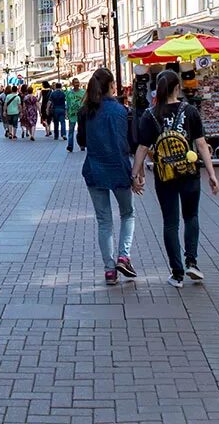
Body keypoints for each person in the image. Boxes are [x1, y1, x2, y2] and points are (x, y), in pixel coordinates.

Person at [133, 69, 219, 288]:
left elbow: (142, 148)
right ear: (178, 88)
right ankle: (192, 262)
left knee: (170, 222)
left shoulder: (150, 114)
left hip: (165, 176)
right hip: (189, 172)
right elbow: (201, 144)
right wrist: (211, 174)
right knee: (191, 216)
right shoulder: (189, 111)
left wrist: (135, 175)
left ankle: (177, 273)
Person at [76, 68, 137, 285]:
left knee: (104, 221)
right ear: (112, 85)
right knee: (127, 213)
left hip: (94, 170)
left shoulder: (85, 111)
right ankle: (123, 255)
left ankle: (109, 269)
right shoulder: (121, 110)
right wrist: (134, 174)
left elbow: (81, 141)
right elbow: (127, 144)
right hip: (118, 169)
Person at [65, 77, 85, 153]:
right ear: (72, 84)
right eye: (75, 82)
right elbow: (67, 103)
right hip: (72, 114)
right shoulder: (69, 93)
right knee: (71, 131)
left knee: (81, 130)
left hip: (81, 114)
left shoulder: (83, 92)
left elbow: (85, 102)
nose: (77, 84)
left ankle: (82, 145)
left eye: (78, 82)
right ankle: (70, 146)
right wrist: (66, 112)